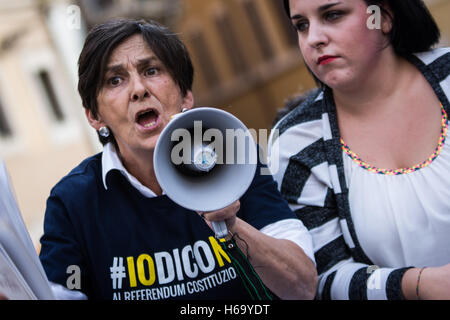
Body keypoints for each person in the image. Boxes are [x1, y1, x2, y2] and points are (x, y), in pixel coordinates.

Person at [38, 18, 317, 300]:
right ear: (94, 116)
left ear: (185, 95)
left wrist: (232, 226)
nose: (139, 90)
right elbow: (58, 292)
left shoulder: (236, 158)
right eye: (115, 80)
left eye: (151, 70)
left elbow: (302, 286)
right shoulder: (73, 201)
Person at [268, 0, 450, 300]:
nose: (314, 38)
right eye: (302, 25)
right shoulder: (296, 142)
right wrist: (417, 284)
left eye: (333, 15)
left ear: (385, 17)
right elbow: (324, 276)